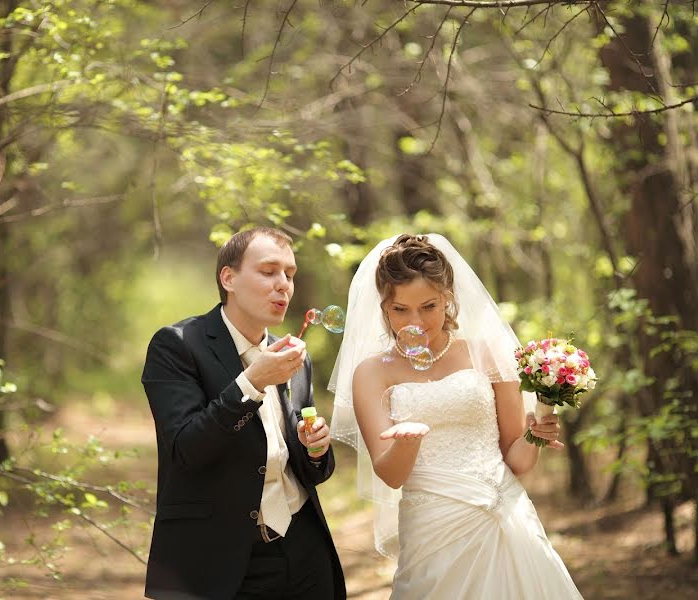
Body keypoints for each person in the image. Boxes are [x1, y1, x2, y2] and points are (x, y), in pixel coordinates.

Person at [329, 233, 583, 599]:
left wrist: (535, 435)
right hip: (433, 529)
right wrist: (408, 441)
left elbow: (517, 458)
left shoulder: (488, 353)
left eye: (429, 306)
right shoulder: (372, 373)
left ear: (448, 297)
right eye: (401, 310)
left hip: (504, 519)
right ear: (384, 306)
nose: (415, 321)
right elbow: (391, 473)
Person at [142, 227, 346, 600]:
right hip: (222, 561)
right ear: (229, 278)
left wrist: (316, 449)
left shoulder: (295, 358)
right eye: (269, 272)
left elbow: (308, 469)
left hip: (304, 550)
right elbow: (185, 450)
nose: (283, 284)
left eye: (290, 274)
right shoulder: (177, 346)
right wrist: (251, 383)